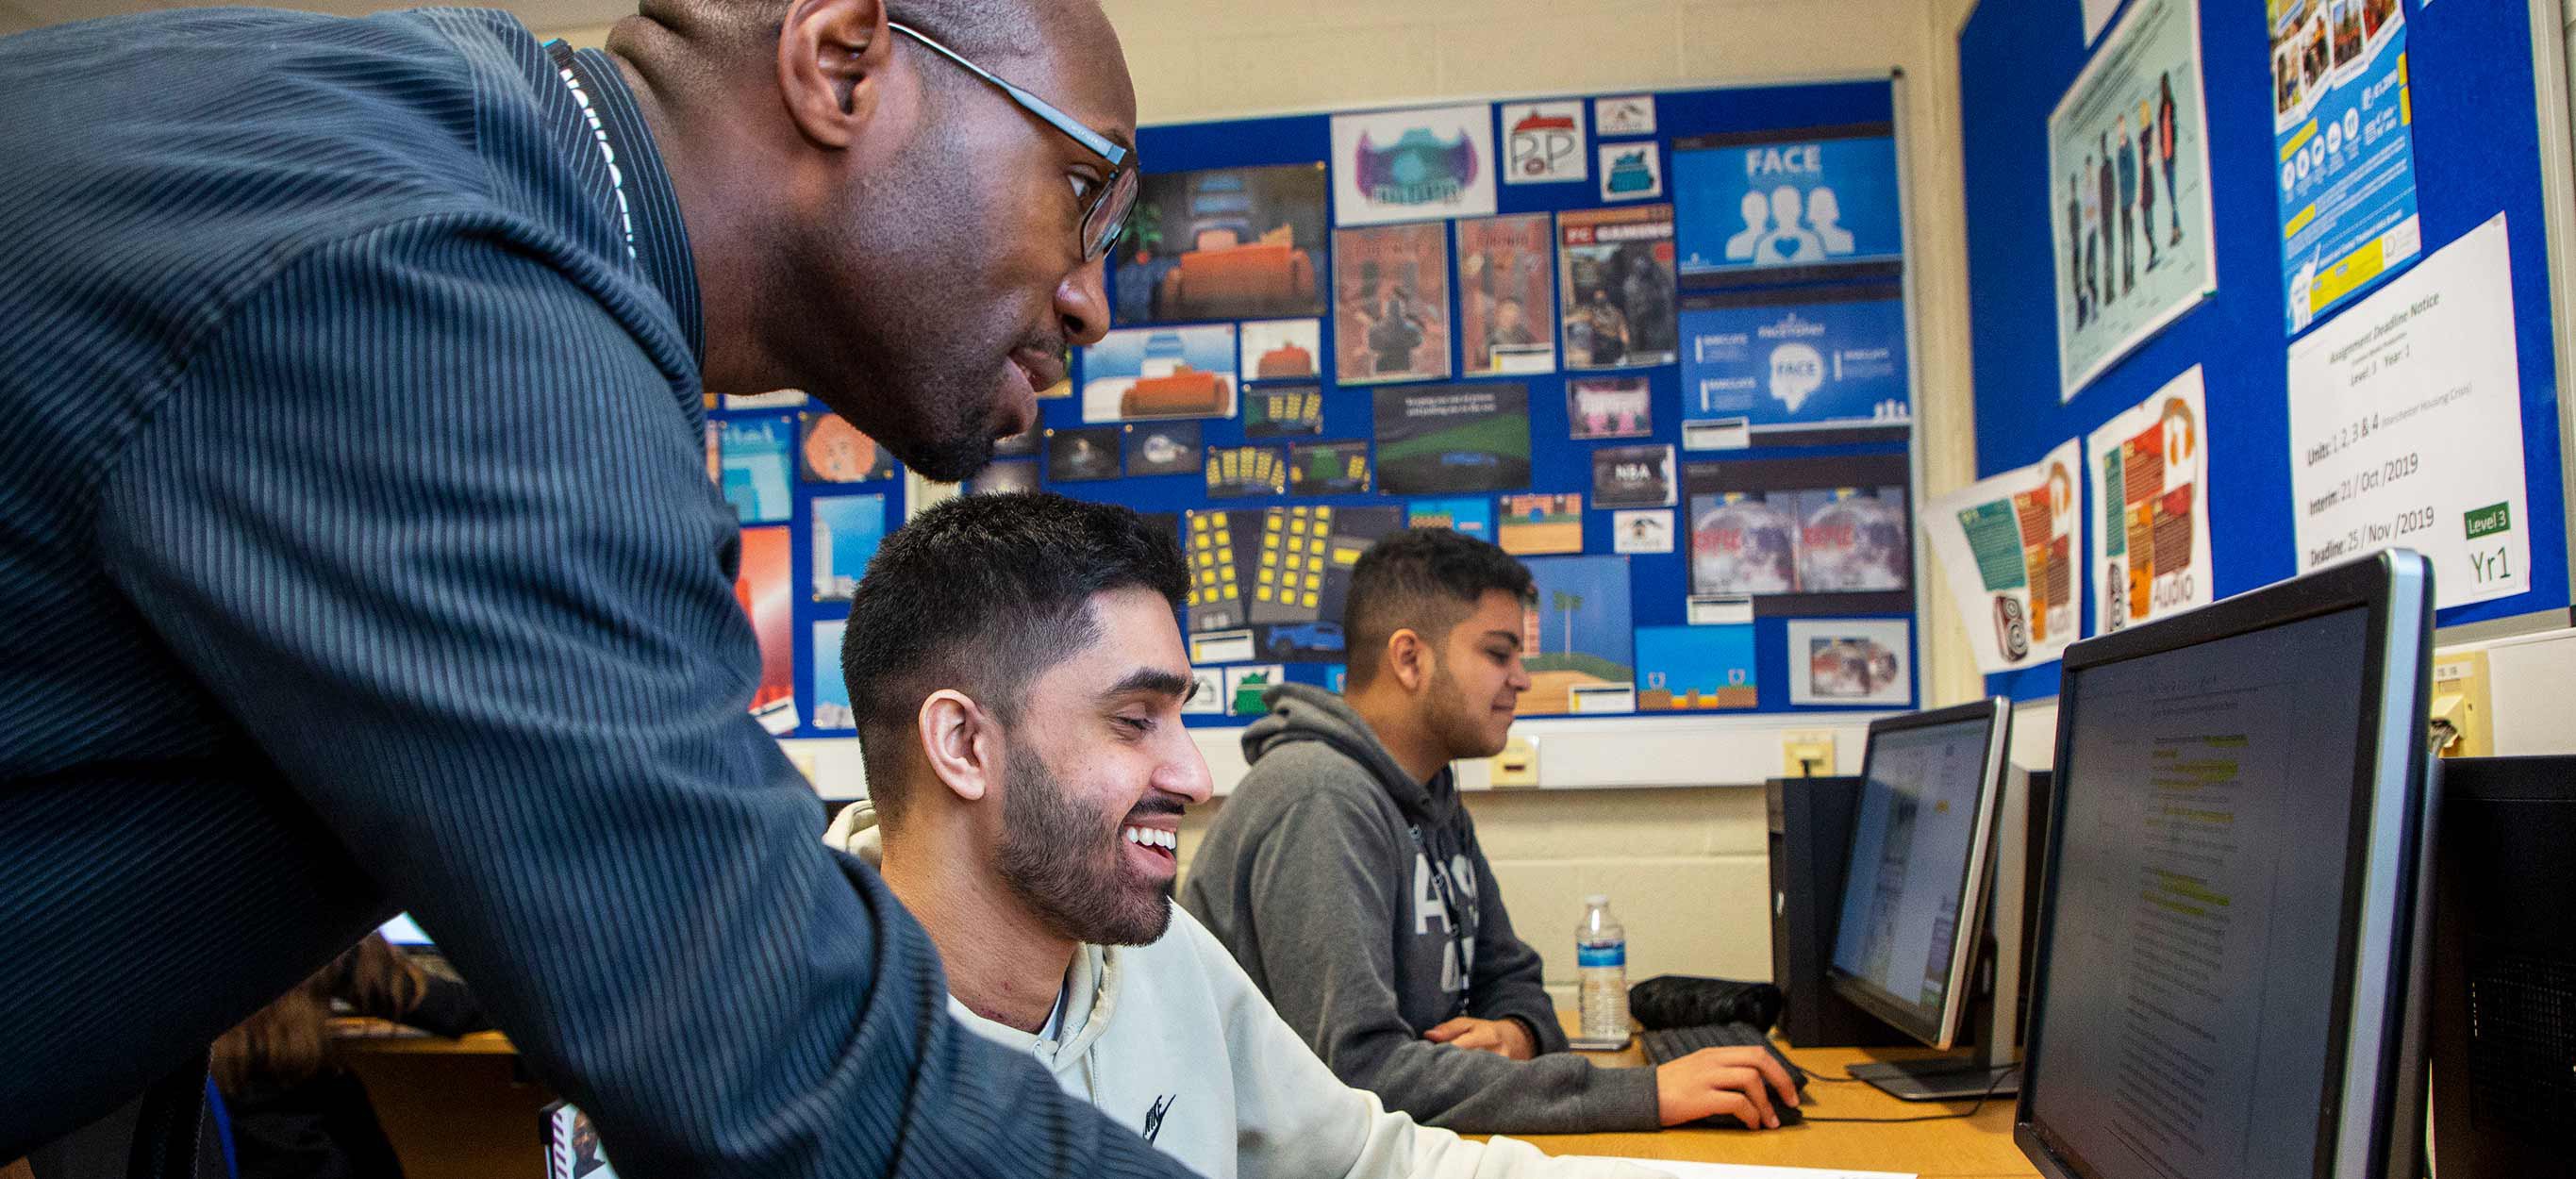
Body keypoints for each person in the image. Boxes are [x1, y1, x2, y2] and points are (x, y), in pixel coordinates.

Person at [0, 0, 1205, 1174]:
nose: (1091, 301)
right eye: (1084, 192)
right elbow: (779, 1059)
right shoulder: (437, 285)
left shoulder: (439, 160)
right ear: (842, 65)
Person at [822, 493, 1670, 1179]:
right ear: (965, 746)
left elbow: (1374, 1161)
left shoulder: (1161, 955)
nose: (1196, 778)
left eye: (1177, 718)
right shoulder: (794, 1063)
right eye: (1132, 720)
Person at [1181, 529, 1801, 1135]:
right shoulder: (1319, 798)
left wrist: (1517, 1032)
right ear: (1408, 658)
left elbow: (1511, 978)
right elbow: (1357, 1075)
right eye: (1497, 653)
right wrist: (1645, 1095)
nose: (1522, 679)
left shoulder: (1429, 790)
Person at [213, 936, 490, 1179]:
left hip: (205, 1137)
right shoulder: (322, 915)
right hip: (305, 1150)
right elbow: (450, 1010)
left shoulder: (190, 915)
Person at [2135, 101, 2159, 271]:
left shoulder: (2152, 131)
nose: (2143, 116)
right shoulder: (2140, 136)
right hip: (2143, 180)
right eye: (2141, 114)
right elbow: (2139, 163)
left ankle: (2154, 253)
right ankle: (2153, 250)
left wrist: (2154, 157)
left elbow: (2156, 150)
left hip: (2150, 181)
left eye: (2145, 113)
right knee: (2145, 225)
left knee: (2149, 221)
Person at [2158, 73, 2182, 245]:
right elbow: (2161, 136)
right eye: (2162, 85)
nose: (2164, 88)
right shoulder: (2161, 110)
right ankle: (2176, 230)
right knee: (2170, 196)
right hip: (2165, 157)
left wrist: (2174, 155)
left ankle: (2176, 231)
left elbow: (2174, 134)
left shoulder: (2170, 107)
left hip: (2170, 156)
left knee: (2173, 196)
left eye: (2166, 85)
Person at [2114, 116, 2136, 292]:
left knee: (2130, 241)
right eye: (2118, 127)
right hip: (2122, 203)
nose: (2120, 130)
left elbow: (2134, 173)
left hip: (2129, 202)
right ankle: (2126, 281)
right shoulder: (2119, 151)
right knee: (2125, 242)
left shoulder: (2129, 148)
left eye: (2122, 126)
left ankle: (2130, 279)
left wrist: (2135, 200)